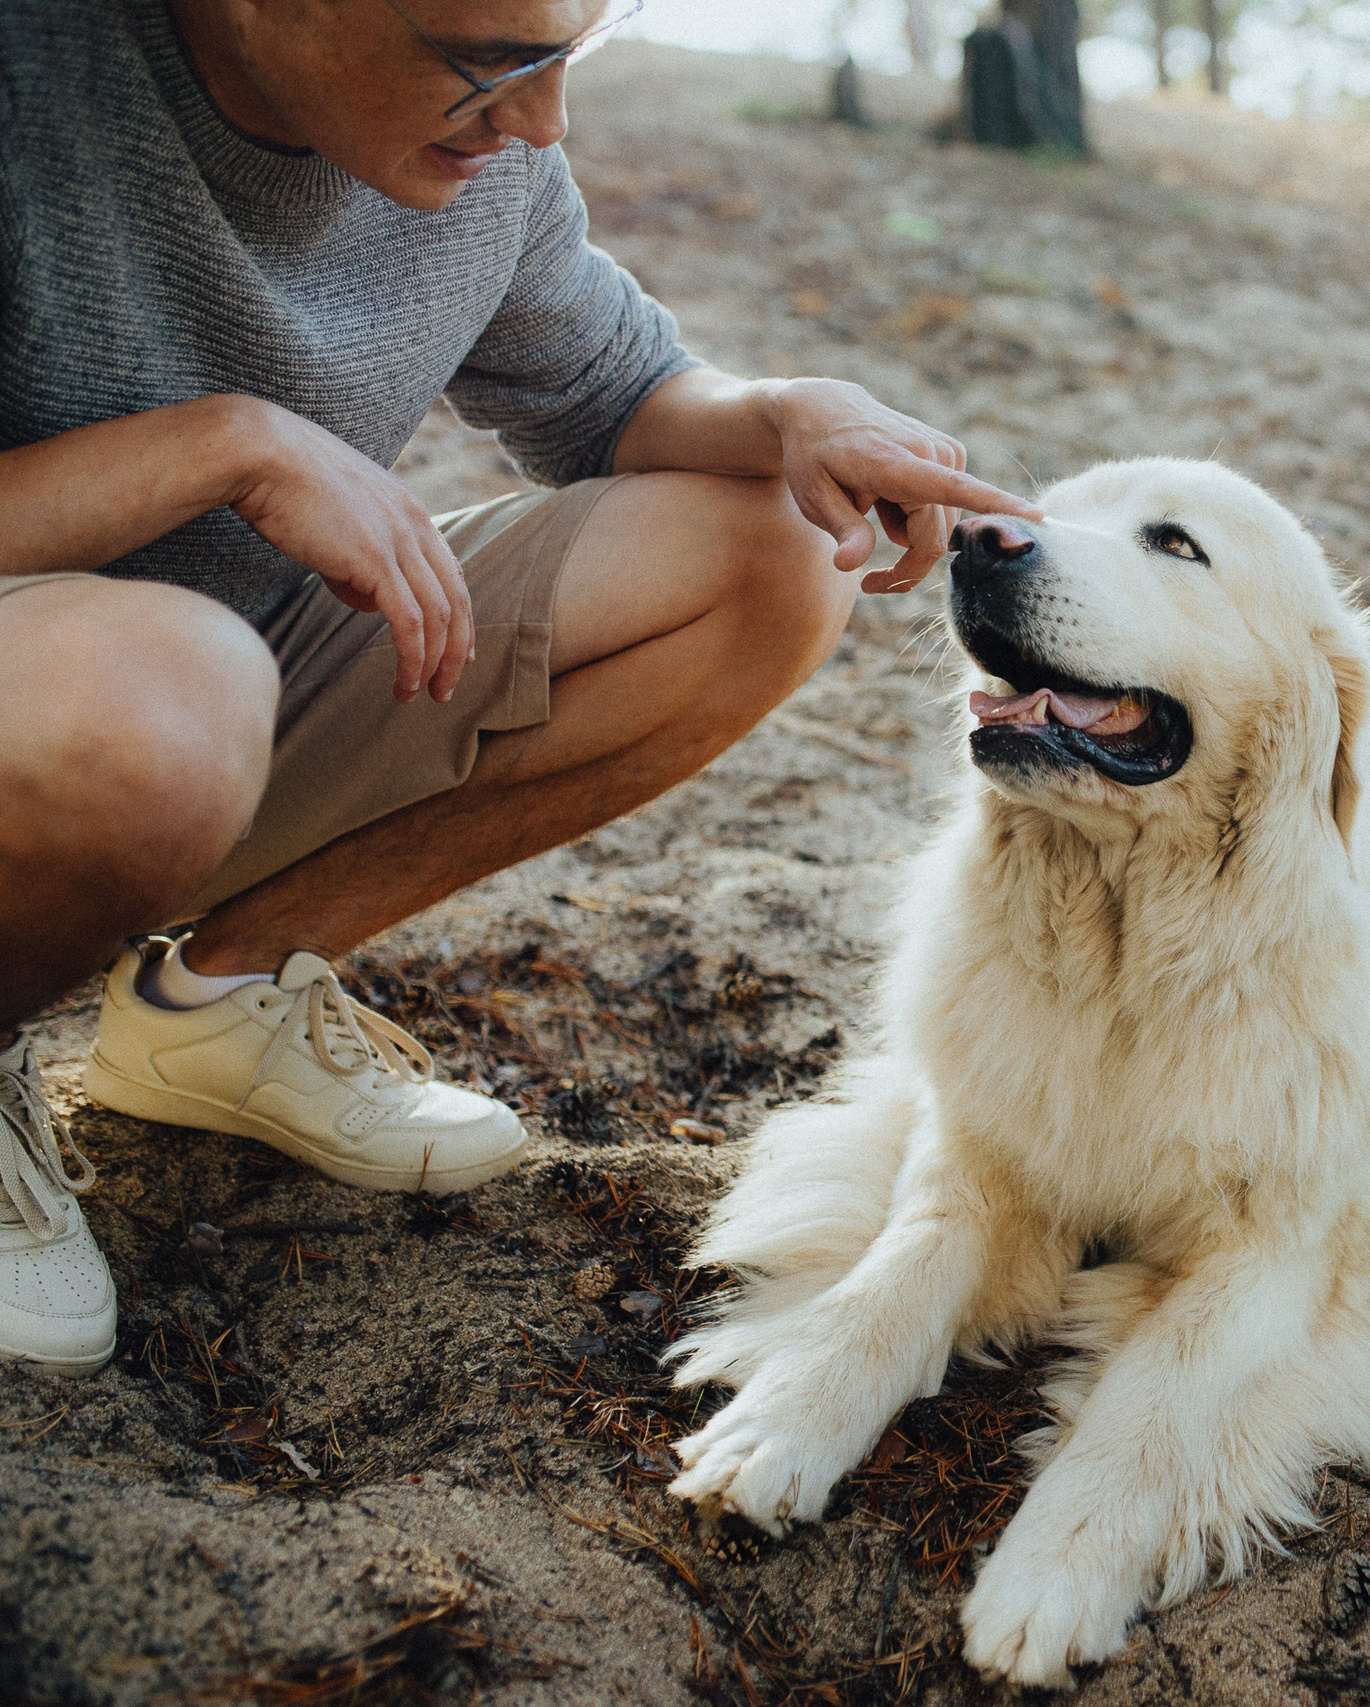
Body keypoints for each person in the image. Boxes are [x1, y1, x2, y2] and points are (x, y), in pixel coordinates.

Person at [0, 0, 1037, 1377]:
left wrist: (789, 411)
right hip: (111, 693)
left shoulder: (485, 159)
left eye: (569, 59)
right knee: (168, 698)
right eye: (488, 68)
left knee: (777, 547)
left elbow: (613, 393)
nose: (544, 125)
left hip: (225, 694)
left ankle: (217, 1002)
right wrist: (220, 450)